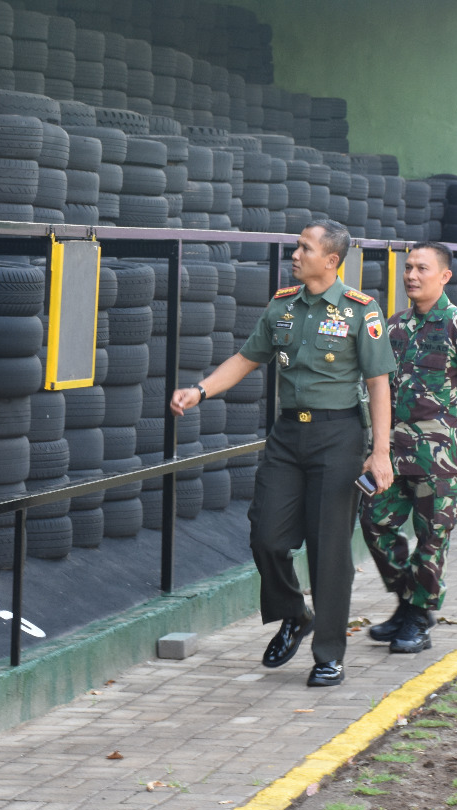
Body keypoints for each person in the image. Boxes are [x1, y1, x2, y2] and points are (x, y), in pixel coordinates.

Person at [170, 219, 396, 687]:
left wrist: (380, 452)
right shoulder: (283, 307)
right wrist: (200, 390)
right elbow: (247, 358)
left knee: (328, 552)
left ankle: (329, 654)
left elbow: (378, 385)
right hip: (289, 436)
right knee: (266, 537)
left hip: (339, 439)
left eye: (304, 248)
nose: (295, 254)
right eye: (296, 246)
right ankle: (295, 612)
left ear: (330, 260)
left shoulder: (361, 311)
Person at [359, 242, 457, 654]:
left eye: (422, 268)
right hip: (392, 454)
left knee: (431, 539)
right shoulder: (394, 326)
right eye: (408, 268)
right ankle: (410, 601)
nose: (412, 275)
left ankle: (417, 620)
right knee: (375, 524)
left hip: (439, 461)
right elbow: (377, 386)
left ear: (444, 276)